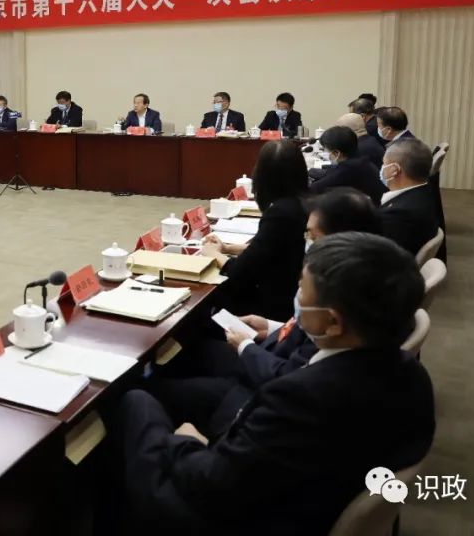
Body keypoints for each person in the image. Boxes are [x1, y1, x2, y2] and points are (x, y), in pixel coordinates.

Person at [109, 233, 434, 536]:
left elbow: (212, 485)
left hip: (236, 517)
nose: (298, 294)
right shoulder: (411, 374)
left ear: (333, 321)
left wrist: (188, 443)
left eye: (303, 288)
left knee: (135, 402)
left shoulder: (302, 397)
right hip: (307, 492)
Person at [147, 188, 380, 441]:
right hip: (268, 355)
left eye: (312, 235)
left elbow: (286, 376)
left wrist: (245, 346)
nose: (307, 241)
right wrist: (270, 327)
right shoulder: (353, 280)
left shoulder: (341, 299)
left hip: (252, 390)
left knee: (145, 395)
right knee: (190, 349)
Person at [201, 140, 307, 320]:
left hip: (272, 306)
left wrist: (214, 254)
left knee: (206, 306)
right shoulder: (303, 202)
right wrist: (227, 248)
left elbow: (240, 272)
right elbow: (269, 249)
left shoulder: (280, 214)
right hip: (289, 293)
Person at [377, 139, 439, 256]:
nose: (382, 168)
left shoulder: (398, 215)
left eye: (384, 164)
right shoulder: (425, 193)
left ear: (394, 170)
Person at [308, 126, 386, 204]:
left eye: (325, 149)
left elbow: (314, 189)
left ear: (336, 153)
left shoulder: (349, 169)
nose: (324, 152)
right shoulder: (360, 160)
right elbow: (332, 173)